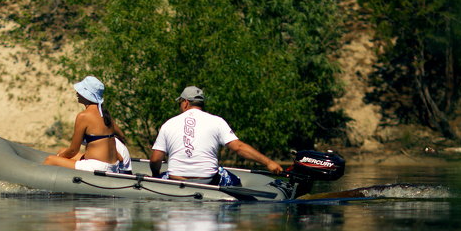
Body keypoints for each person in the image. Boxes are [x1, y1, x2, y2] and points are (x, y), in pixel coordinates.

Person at [148, 86, 283, 184]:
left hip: (176, 179)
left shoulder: (169, 124)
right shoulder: (217, 121)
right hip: (207, 180)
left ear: (185, 103)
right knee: (235, 180)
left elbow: (155, 159)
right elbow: (238, 147)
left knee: (163, 175)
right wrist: (269, 163)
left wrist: (155, 175)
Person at [44, 76, 128, 172]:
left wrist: (59, 157)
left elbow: (73, 150)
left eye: (80, 91)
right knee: (62, 150)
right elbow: (121, 136)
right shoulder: (105, 113)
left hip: (97, 166)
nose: (77, 93)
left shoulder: (84, 116)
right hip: (112, 165)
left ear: (87, 95)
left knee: (50, 160)